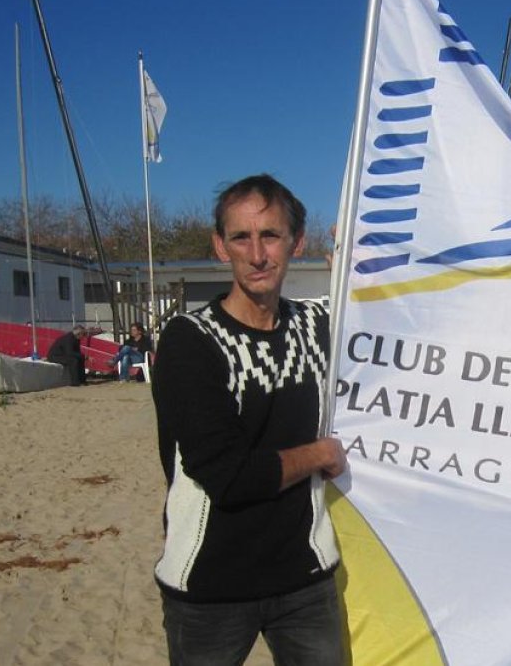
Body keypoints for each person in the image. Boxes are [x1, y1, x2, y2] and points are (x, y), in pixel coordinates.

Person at [150, 174, 348, 665]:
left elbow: (402, 325)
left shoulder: (318, 326)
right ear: (221, 247)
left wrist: (359, 268)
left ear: (296, 243)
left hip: (305, 576)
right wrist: (321, 453)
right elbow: (229, 476)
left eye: (271, 235)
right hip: (210, 584)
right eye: (241, 237)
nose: (258, 254)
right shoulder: (189, 341)